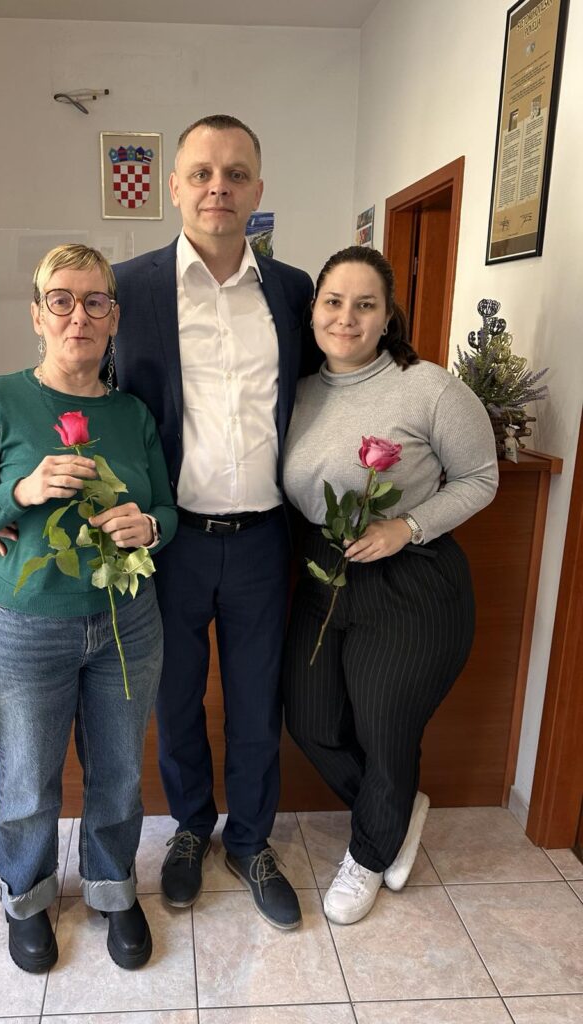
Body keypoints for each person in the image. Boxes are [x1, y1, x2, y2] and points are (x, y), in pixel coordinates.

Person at [0, 244, 177, 973]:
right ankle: (27, 897)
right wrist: (17, 494)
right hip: (27, 628)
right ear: (37, 315)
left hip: (127, 625)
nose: (79, 316)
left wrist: (149, 526)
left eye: (96, 301)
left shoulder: (131, 414)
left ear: (114, 318)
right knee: (26, 780)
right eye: (61, 300)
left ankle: (111, 887)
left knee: (119, 774)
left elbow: (167, 510)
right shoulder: (0, 399)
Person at [112, 114, 318, 929]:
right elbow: (73, 387)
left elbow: (330, 387)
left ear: (258, 189)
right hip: (172, 541)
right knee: (176, 701)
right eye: (201, 173)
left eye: (235, 174)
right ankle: (193, 829)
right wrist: (16, 486)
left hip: (265, 539)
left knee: (257, 703)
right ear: (174, 187)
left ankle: (252, 840)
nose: (217, 188)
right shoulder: (129, 288)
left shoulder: (293, 291)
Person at [282, 245, 499, 925]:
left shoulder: (429, 388)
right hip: (324, 573)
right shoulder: (299, 390)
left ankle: (371, 853)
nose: (346, 317)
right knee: (310, 721)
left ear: (387, 317)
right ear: (313, 310)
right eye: (333, 302)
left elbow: (481, 478)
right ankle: (397, 808)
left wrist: (407, 527)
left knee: (385, 729)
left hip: (410, 581)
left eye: (365, 305)